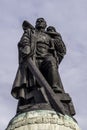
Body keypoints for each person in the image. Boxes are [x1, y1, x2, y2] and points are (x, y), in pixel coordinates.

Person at [11, 18, 66, 100]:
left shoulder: (50, 36)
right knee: (33, 80)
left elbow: (62, 50)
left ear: (45, 25)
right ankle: (34, 95)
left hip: (46, 57)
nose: (40, 22)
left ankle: (55, 88)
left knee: (51, 61)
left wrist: (57, 37)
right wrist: (26, 47)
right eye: (38, 21)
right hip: (34, 57)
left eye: (42, 21)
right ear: (36, 24)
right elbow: (24, 40)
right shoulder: (31, 32)